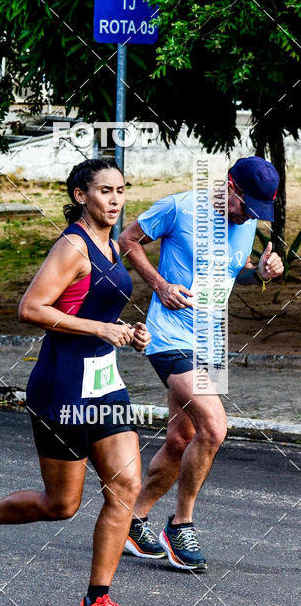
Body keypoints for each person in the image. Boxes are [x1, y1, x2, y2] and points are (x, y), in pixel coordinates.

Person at [0, 158, 153, 606]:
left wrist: (126, 332)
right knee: (61, 505)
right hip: (61, 384)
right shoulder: (73, 246)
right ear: (81, 195)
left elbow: (94, 307)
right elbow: (31, 308)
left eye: (121, 190)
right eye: (105, 191)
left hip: (104, 382)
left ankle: (96, 602)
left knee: (125, 487)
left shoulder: (109, 245)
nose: (115, 199)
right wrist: (101, 327)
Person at [118, 156, 284, 572]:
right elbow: (128, 239)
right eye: (246, 206)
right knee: (214, 426)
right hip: (170, 337)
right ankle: (180, 526)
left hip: (211, 341)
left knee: (181, 438)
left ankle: (129, 520)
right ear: (230, 185)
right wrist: (159, 284)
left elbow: (234, 272)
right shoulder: (180, 207)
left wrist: (261, 272)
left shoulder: (246, 221)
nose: (248, 216)